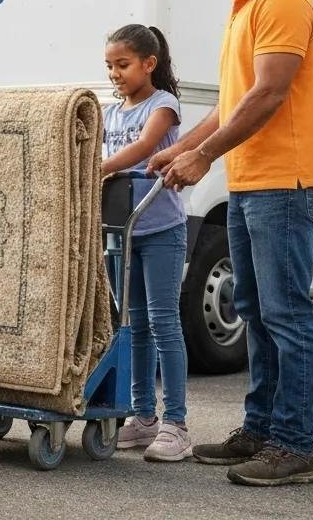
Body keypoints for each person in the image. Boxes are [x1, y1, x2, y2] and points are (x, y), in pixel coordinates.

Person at [147, 0, 313, 487]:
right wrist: (184, 146)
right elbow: (234, 102)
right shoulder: (244, 4)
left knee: (286, 315)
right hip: (255, 180)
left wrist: (204, 156)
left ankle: (293, 446)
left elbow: (269, 94)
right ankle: (261, 429)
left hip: (288, 180)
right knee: (256, 311)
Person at [100, 24, 191, 462]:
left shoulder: (164, 105)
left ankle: (176, 422)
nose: (115, 73)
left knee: (163, 322)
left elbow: (144, 147)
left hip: (160, 232)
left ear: (148, 64)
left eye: (123, 65)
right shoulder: (110, 111)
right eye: (110, 66)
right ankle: (142, 418)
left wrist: (98, 168)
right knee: (131, 325)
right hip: (123, 233)